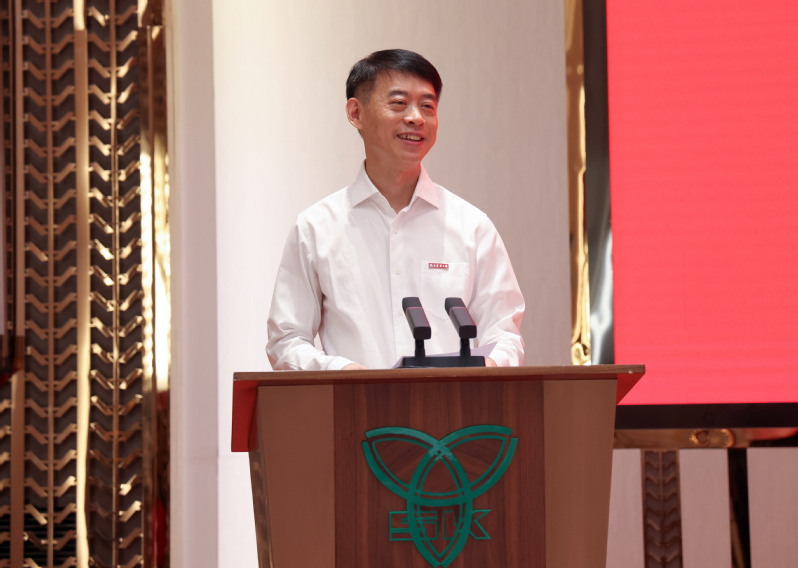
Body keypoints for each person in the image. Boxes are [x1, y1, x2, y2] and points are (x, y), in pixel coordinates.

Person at [266, 49, 524, 371]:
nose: (416, 118)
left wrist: (484, 369)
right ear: (356, 113)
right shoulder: (316, 229)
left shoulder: (472, 226)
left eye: (427, 106)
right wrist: (343, 374)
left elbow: (504, 334)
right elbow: (287, 340)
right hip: (354, 402)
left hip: (455, 403)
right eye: (399, 103)